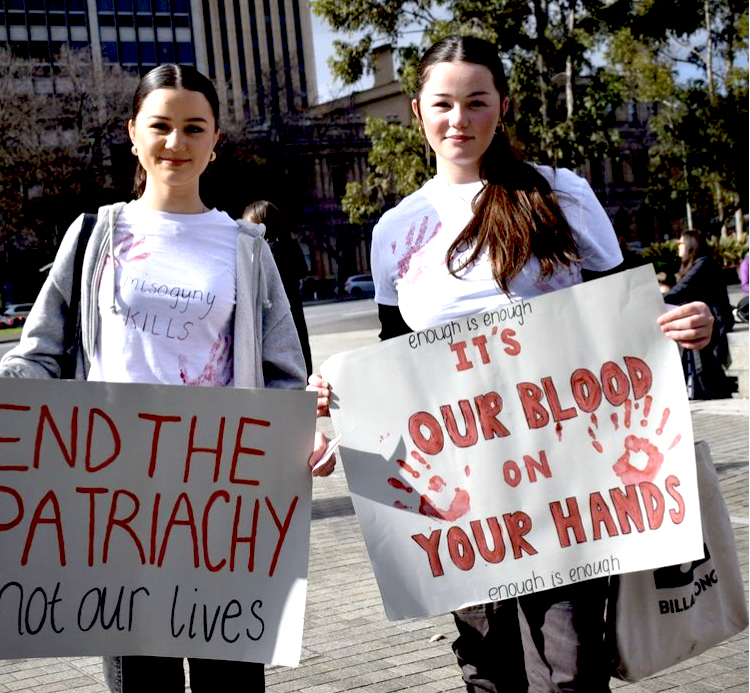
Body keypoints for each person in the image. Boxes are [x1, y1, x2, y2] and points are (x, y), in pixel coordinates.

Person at [308, 35, 715, 693]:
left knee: (570, 671)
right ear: (416, 111)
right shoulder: (395, 231)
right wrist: (339, 399)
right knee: (490, 672)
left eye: (476, 102)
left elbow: (629, 318)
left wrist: (687, 323)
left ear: (504, 106)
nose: (458, 121)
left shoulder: (558, 194)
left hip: (570, 484)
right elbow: (391, 370)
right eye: (443, 104)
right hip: (460, 500)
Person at [0, 63, 335, 693]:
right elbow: (42, 350)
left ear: (215, 141)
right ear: (133, 133)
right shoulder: (97, 234)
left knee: (229, 683)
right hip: (116, 502)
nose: (175, 143)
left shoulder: (246, 248)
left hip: (217, 501)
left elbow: (283, 374)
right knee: (140, 682)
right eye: (160, 125)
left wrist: (306, 434)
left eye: (193, 128)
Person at [661, 230, 735, 399]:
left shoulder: (704, 263)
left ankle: (710, 392)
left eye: (681, 243)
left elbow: (681, 291)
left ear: (690, 245)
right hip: (705, 326)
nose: (677, 246)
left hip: (713, 327)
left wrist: (656, 300)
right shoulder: (693, 265)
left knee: (707, 371)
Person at [242, 200, 313, 376]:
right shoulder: (291, 247)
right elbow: (302, 271)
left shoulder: (258, 256)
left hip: (267, 337)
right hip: (296, 330)